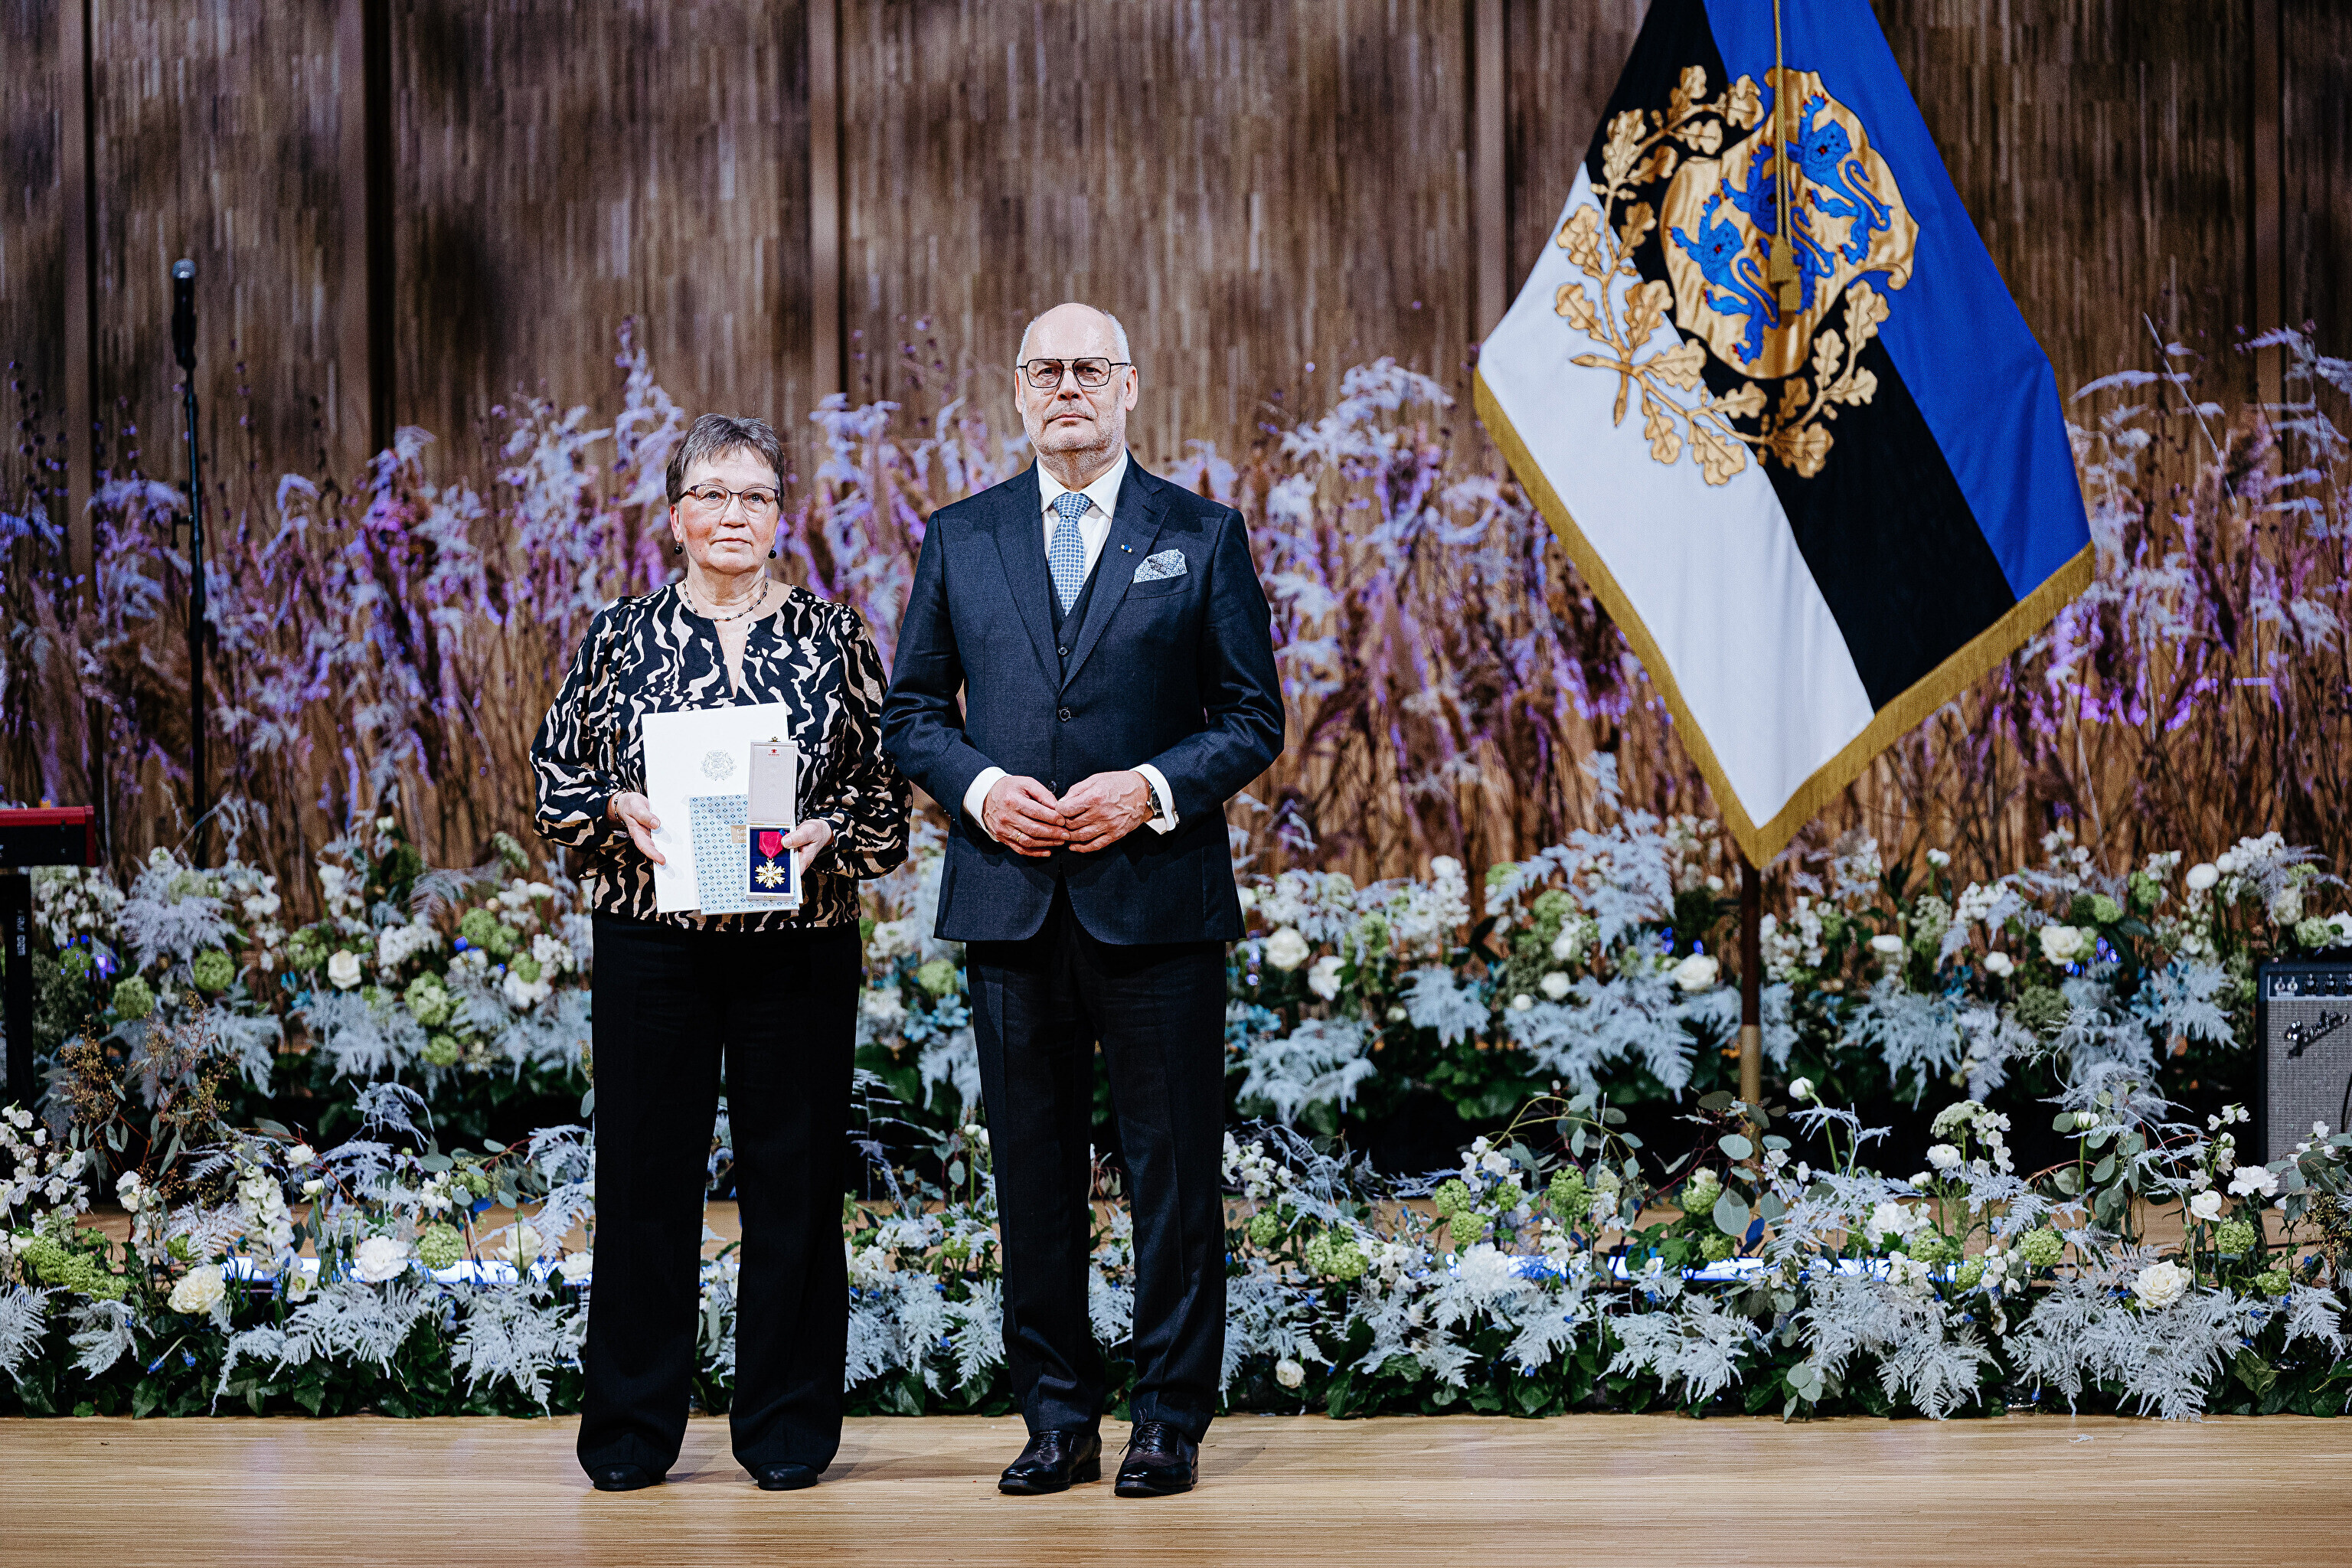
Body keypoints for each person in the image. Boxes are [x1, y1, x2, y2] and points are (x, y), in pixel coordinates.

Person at [881, 302, 1283, 1498]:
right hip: (1009, 901)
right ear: (1018, 391)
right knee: (1033, 1176)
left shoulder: (1200, 534)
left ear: (1130, 387)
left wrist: (1150, 788)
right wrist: (982, 789)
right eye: (1046, 370)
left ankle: (1168, 1419)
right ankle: (1056, 1419)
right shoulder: (961, 536)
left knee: (1174, 1175)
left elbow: (1251, 718)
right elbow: (914, 714)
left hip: (1157, 902)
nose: (1068, 387)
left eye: (1089, 370)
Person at [533, 413, 908, 1494]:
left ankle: (786, 1428)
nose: (733, 514)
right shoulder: (618, 635)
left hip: (799, 946)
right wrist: (619, 807)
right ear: (674, 517)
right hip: (654, 944)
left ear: (782, 516)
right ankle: (630, 1432)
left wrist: (829, 827)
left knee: (797, 1185)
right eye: (711, 494)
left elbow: (886, 800)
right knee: (642, 1182)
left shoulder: (836, 638)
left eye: (754, 495)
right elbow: (556, 778)